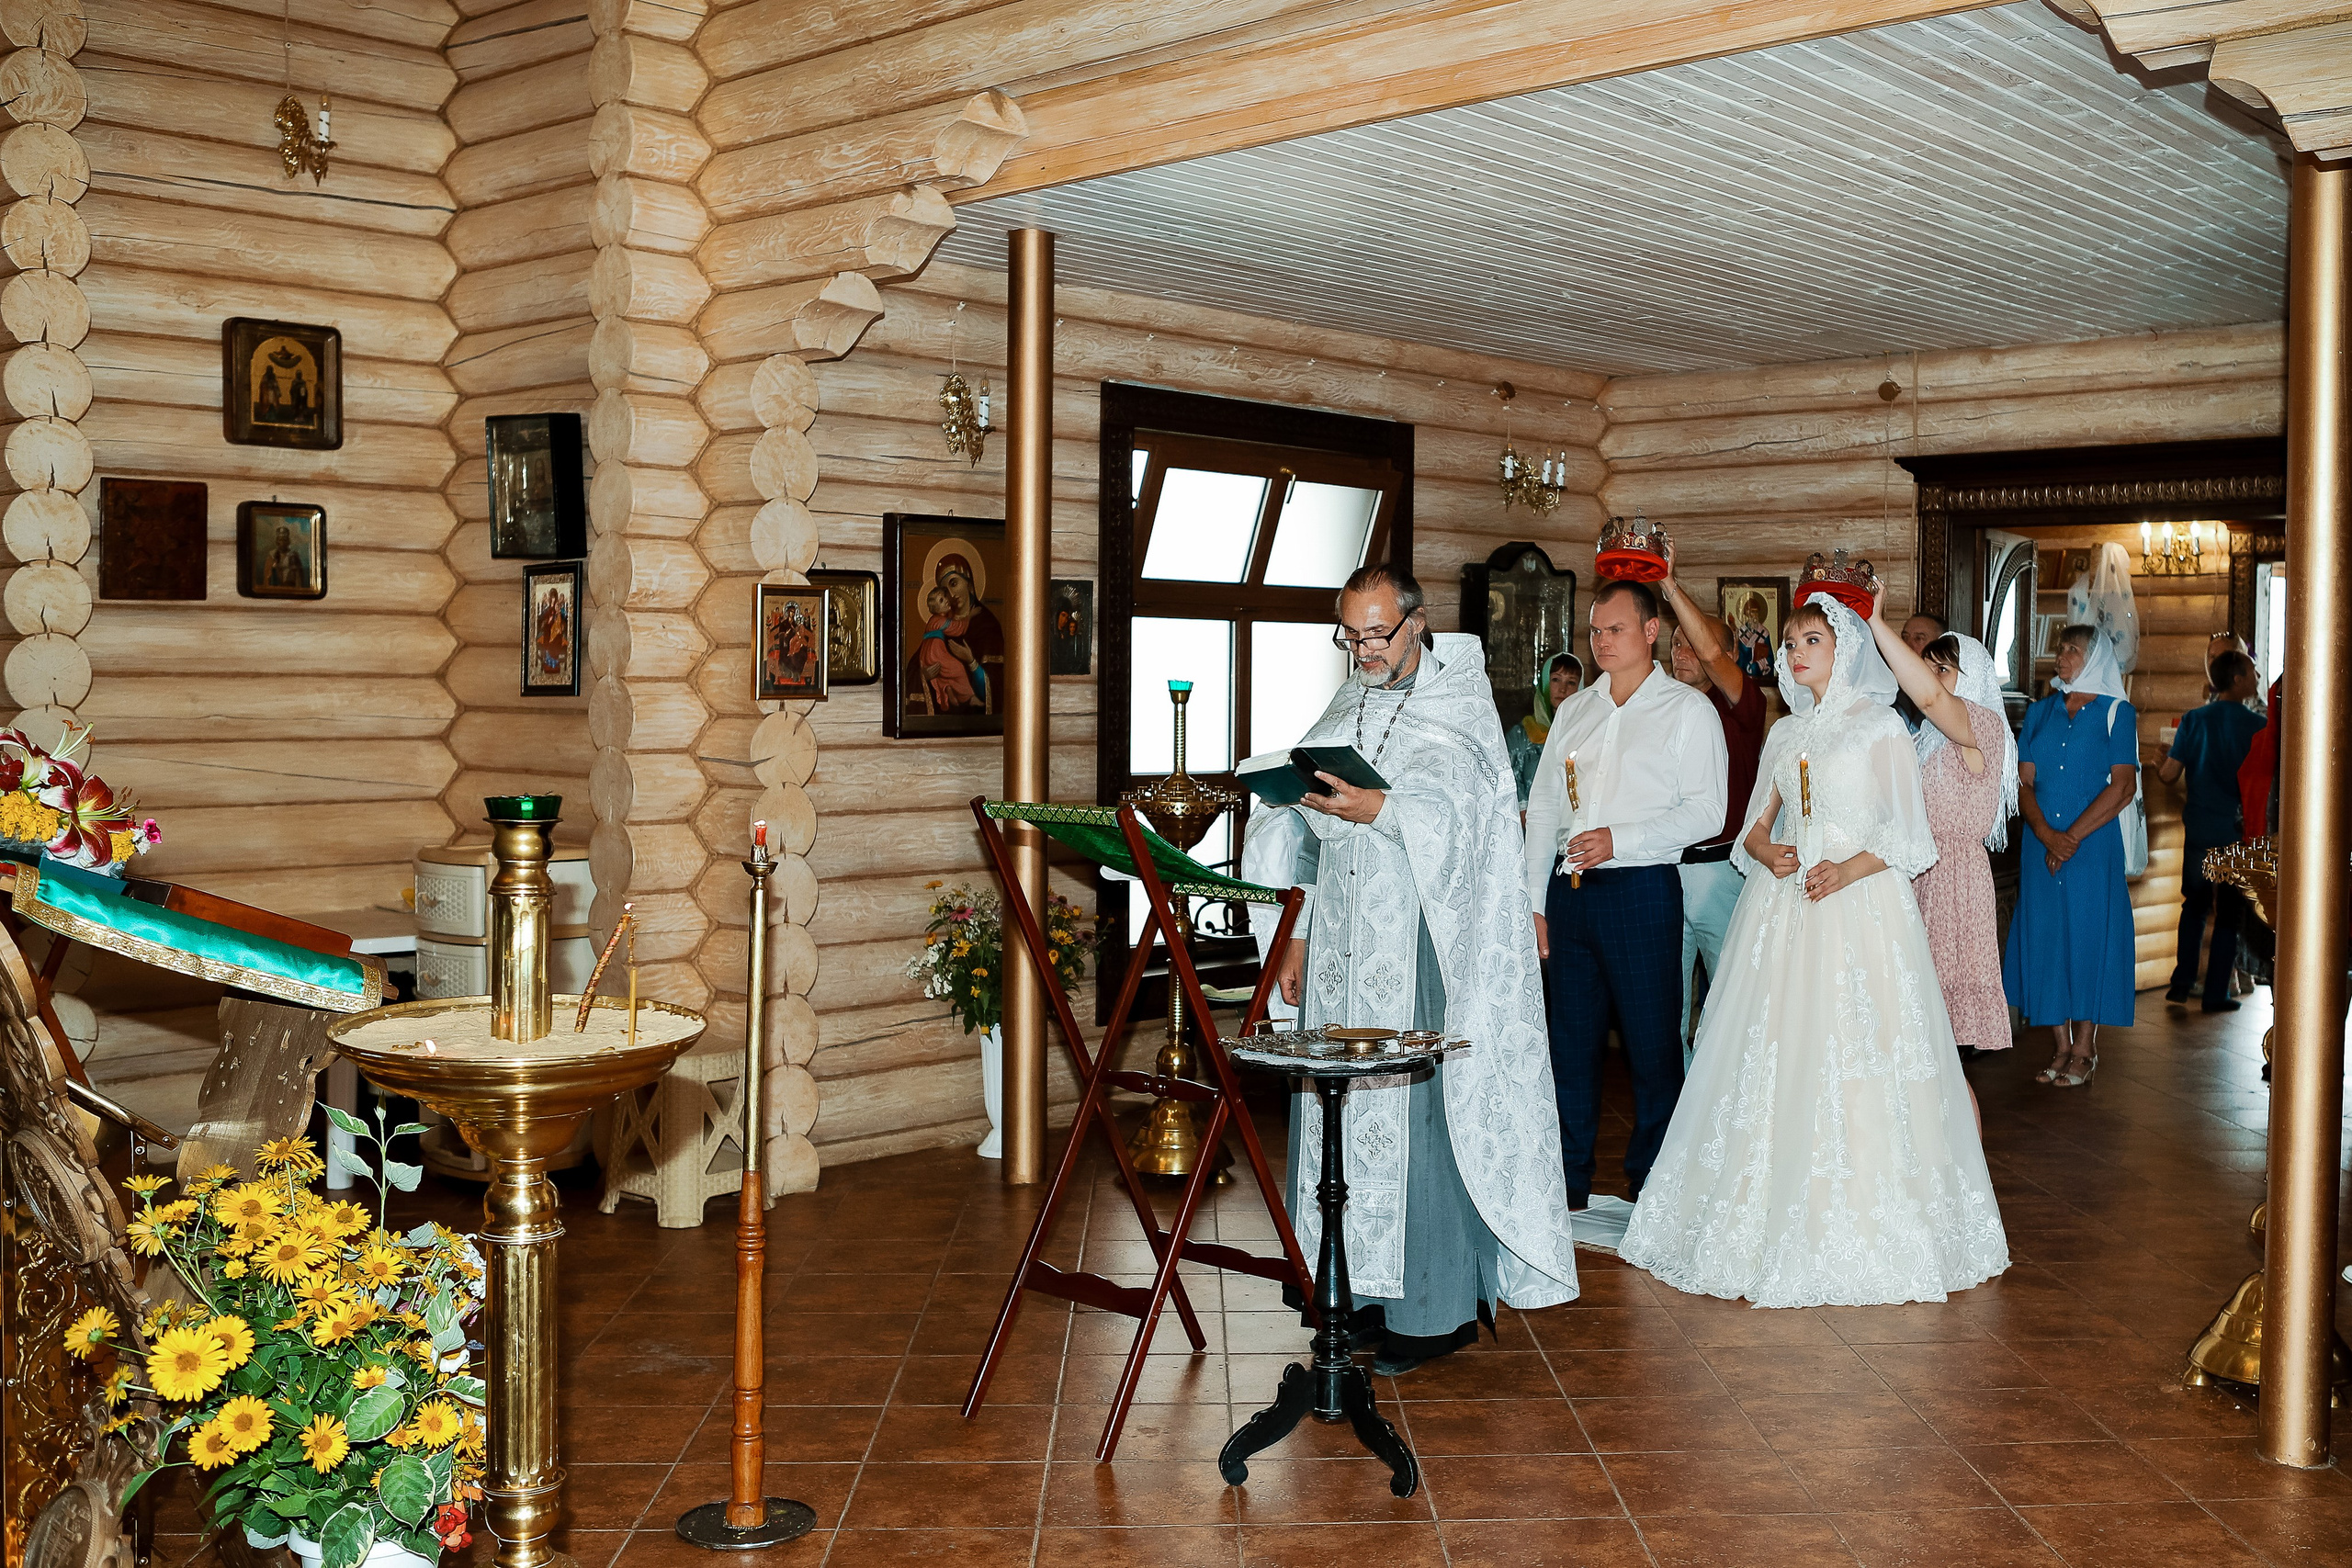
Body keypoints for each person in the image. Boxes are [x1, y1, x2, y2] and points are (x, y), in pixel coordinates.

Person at [1619, 591, 2007, 1305]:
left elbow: (1907, 836)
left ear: (1846, 650)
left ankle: (1873, 1215)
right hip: (1785, 910)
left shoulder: (1880, 727)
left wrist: (1845, 867)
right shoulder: (1785, 734)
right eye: (1791, 642)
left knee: (1862, 1056)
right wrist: (1768, 853)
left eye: (1810, 641)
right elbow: (1752, 827)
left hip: (1860, 910)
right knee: (1777, 1053)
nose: (1795, 653)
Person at [1246, 565, 1578, 1376]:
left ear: (1417, 624)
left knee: (1415, 1120)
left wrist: (1383, 810)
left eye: (1375, 633)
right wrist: (1293, 932)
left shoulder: (1460, 708)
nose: (1360, 650)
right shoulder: (1347, 700)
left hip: (1421, 948)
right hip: (1338, 948)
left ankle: (1430, 1313)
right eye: (1348, 634)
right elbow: (1301, 826)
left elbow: (1469, 828)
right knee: (1333, 1108)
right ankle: (1349, 1296)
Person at [1524, 580, 1727, 1209]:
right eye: (1594, 631)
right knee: (1571, 1044)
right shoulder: (1574, 710)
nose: (1601, 640)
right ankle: (1567, 1179)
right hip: (1571, 894)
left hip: (1643, 889)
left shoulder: (1689, 712)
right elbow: (1543, 806)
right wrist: (1533, 902)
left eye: (1614, 629)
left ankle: (1653, 1180)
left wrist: (1624, 839)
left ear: (1650, 631)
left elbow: (1709, 812)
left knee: (1651, 1044)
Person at [1865, 592, 2018, 1061]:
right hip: (1917, 868)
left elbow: (1929, 698)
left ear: (1970, 679)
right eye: (1926, 667)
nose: (1931, 680)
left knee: (1940, 1033)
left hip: (1952, 877)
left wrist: (1874, 619)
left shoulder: (1985, 725)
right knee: (1912, 1026)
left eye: (1943, 669)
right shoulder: (1925, 738)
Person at [2005, 625, 2140, 1088]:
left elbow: (2123, 785)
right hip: (2040, 846)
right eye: (2059, 649)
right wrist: (2045, 832)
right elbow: (2023, 783)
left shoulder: (2117, 714)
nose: (2060, 656)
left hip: (2091, 847)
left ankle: (2085, 1048)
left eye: (2072, 650)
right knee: (2046, 937)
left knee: (2088, 936)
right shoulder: (2040, 712)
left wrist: (2070, 838)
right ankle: (2059, 1047)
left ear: (2096, 657)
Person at [1657, 553, 1766, 1063]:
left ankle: (1730, 1121)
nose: (1682, 651)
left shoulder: (1742, 705)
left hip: (1721, 871)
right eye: (1675, 643)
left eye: (1694, 643)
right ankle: (1678, 1122)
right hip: (1661, 869)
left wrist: (1670, 586)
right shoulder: (1656, 708)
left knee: (1728, 1001)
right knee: (1665, 1008)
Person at [2157, 650, 2265, 1011]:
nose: (2257, 677)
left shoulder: (2194, 720)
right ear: (2236, 679)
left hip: (2200, 828)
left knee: (2195, 907)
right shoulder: (2257, 728)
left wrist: (2161, 760)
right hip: (2236, 832)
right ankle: (2216, 993)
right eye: (2252, 672)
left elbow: (2169, 775)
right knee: (2230, 916)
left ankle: (2181, 982)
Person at [1505, 652, 1582, 810]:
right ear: (1544, 683)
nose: (1563, 689)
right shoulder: (1522, 734)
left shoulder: (1586, 733)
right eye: (1556, 680)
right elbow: (1509, 781)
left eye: (1571, 682)